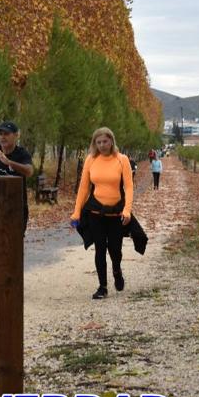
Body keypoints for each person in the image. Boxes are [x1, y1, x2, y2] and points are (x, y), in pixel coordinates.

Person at [70, 127, 133, 300]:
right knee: (100, 249)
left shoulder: (122, 160)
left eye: (105, 141)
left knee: (115, 250)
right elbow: (84, 187)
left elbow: (128, 187)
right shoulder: (91, 159)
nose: (102, 145)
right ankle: (102, 287)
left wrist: (127, 210)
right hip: (95, 212)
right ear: (94, 144)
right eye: (98, 142)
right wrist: (76, 212)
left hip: (115, 214)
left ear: (111, 141)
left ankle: (117, 270)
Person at [0, 121, 34, 234]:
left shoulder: (21, 153)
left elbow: (29, 171)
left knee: (14, 247)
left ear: (16, 135)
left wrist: (9, 162)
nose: (3, 137)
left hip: (16, 209)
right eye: (0, 134)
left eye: (6, 134)